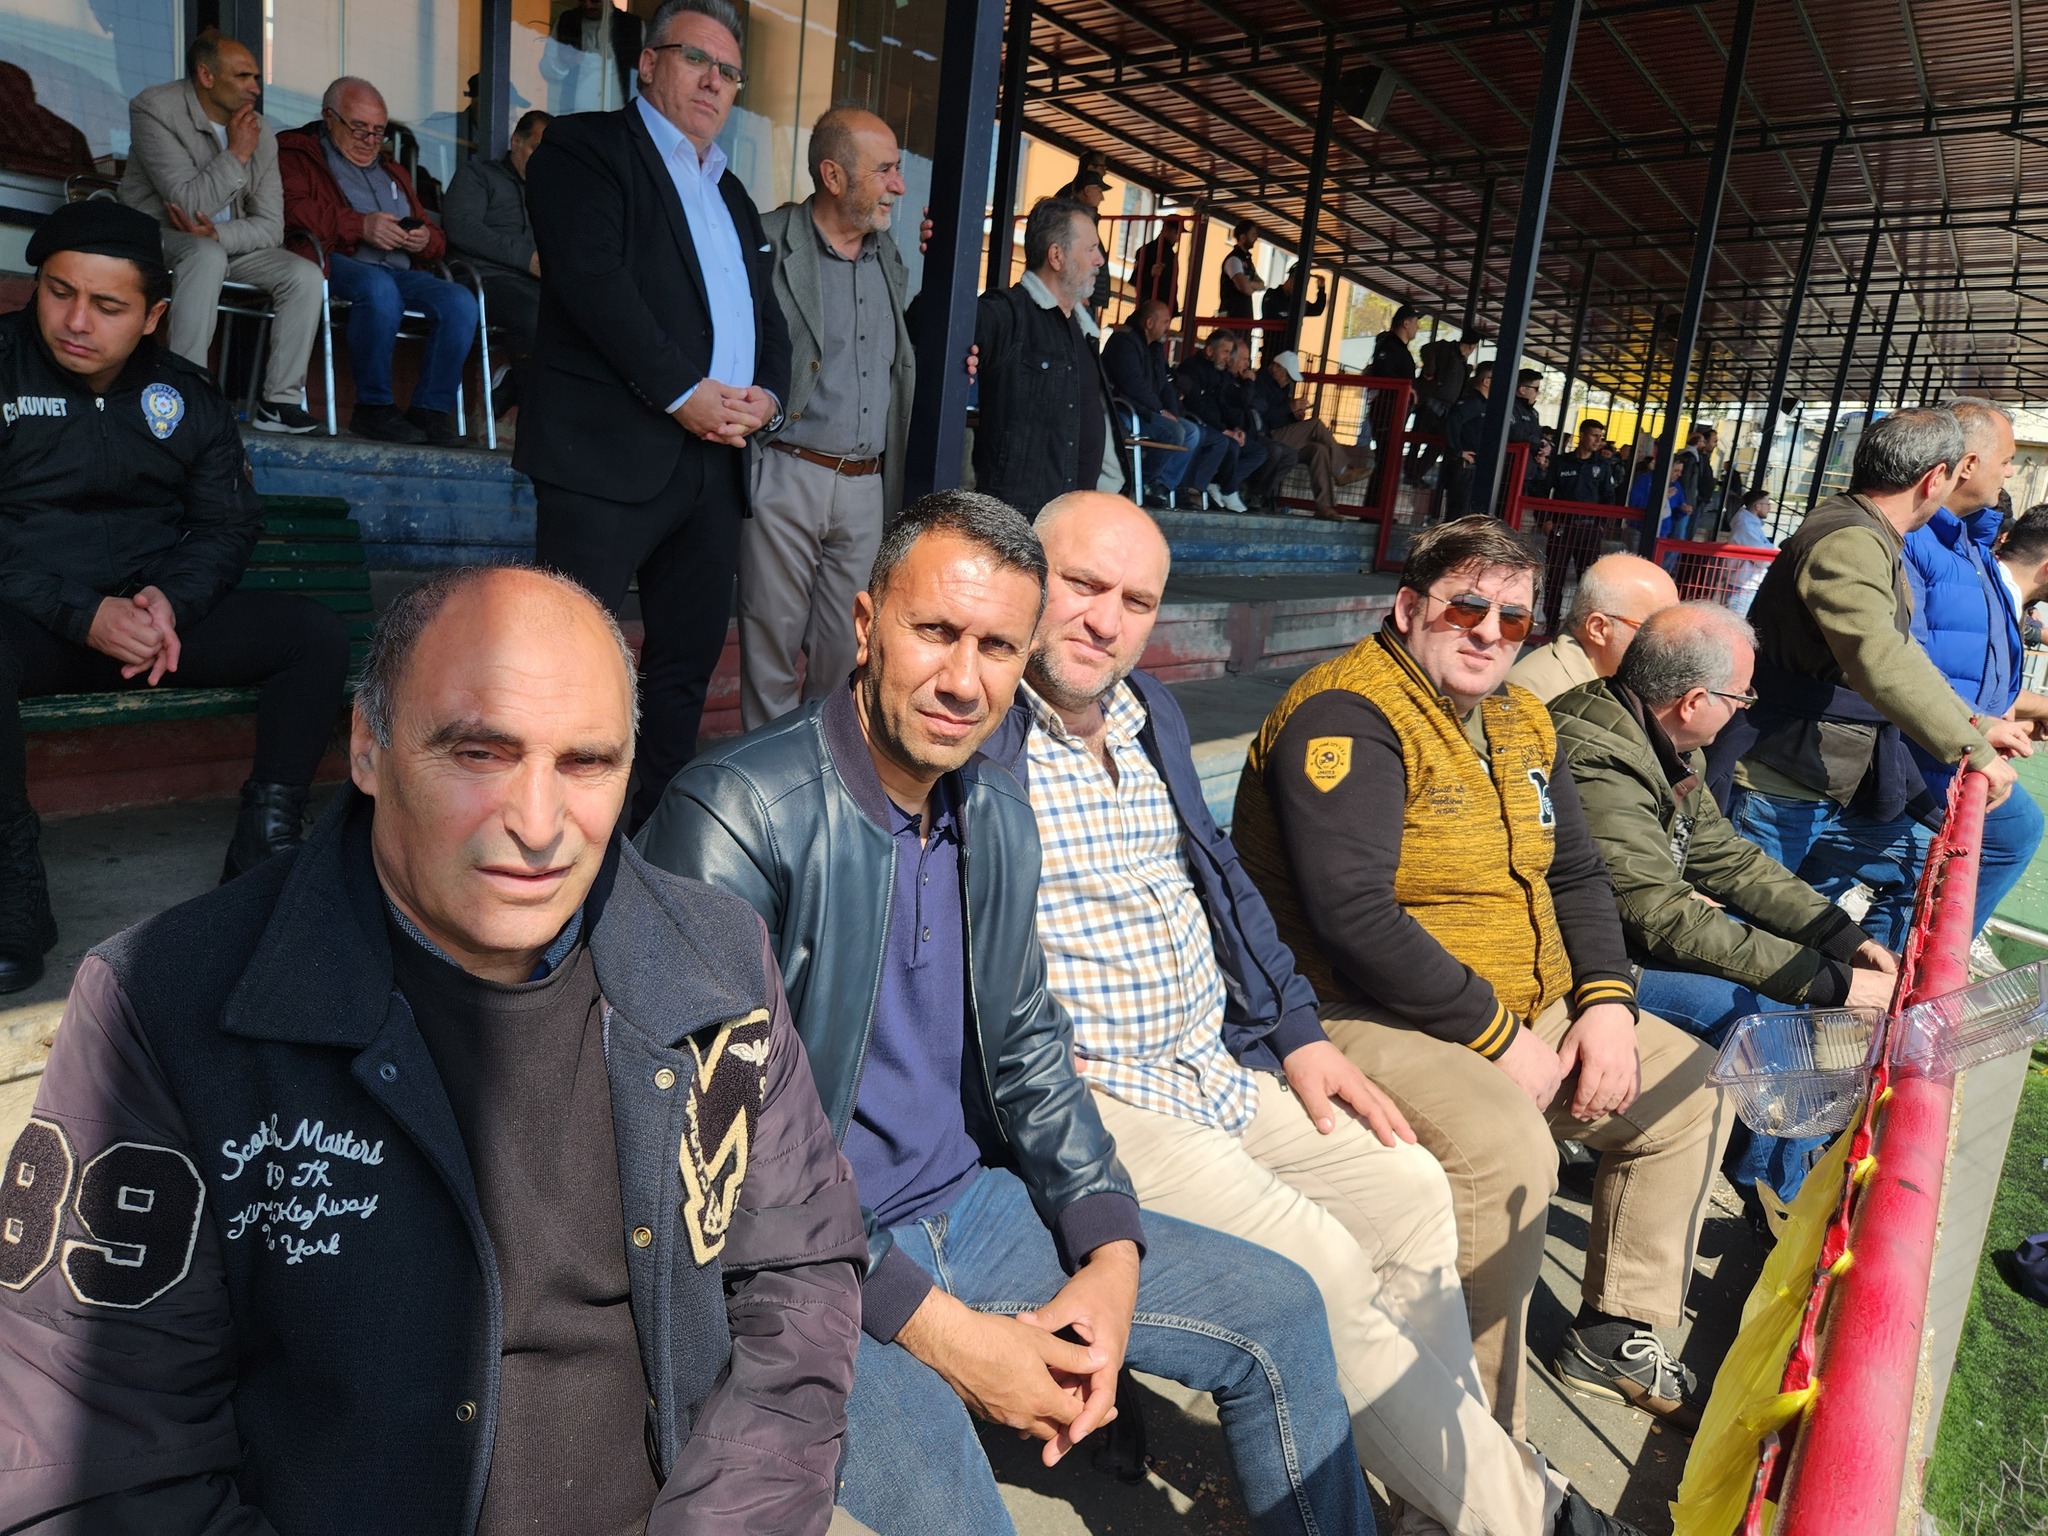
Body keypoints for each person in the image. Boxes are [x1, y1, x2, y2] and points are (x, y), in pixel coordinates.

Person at [0, 565, 867, 1533]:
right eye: (480, 753)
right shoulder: (167, 1008)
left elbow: (800, 1278)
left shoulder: (715, 964)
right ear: (367, 749)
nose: (537, 825)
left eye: (586, 763)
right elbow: (96, 1455)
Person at [637, 492, 1373, 1536]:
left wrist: (1108, 1243)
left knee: (1285, 1309)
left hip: (971, 1207)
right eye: (934, 631)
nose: (961, 679)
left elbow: (1029, 1047)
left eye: (995, 647)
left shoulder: (993, 806)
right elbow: (711, 1152)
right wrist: (943, 1333)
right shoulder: (737, 814)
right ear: (864, 623)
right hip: (805, 1262)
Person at [983, 491, 1650, 1536]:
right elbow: (1348, 914)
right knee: (1330, 1256)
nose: (1105, 621)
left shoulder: (1146, 711)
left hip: (1218, 1057)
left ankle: (1443, 1493)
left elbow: (1219, 886)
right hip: (1099, 1092)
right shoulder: (982, 730)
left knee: (1408, 1188)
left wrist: (1292, 1038)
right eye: (1082, 586)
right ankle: (1527, 1515)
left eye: (1136, 601)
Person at [1233, 515, 1729, 1436]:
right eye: (1465, 607)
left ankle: (1612, 1331)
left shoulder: (1520, 715)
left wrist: (1607, 1003)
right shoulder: (1346, 712)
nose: (1488, 633)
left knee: (1695, 1088)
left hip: (1516, 1000)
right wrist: (1500, 1038)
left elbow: (1576, 873)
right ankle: (1474, 1451)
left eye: (1512, 618)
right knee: (1508, 1152)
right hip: (1353, 1007)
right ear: (1407, 608)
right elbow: (1353, 919)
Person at [0, 201, 351, 992]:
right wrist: (82, 614)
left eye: (107, 305)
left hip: (152, 632)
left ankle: (265, 848)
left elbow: (228, 523)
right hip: (32, 629)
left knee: (312, 634)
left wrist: (169, 602)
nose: (76, 321)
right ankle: (11, 882)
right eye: (59, 292)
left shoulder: (184, 394)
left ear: (154, 316)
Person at [518, 0, 791, 828]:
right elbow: (593, 284)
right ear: (647, 62)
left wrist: (768, 397)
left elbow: (766, 317)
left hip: (717, 462)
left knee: (683, 671)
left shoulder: (732, 192)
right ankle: (553, 831)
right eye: (695, 58)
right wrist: (684, 392)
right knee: (568, 661)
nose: (714, 81)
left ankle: (653, 840)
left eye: (729, 71)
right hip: (607, 456)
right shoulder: (584, 149)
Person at [1550, 604, 1900, 1207]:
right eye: (1742, 695)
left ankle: (1777, 1177)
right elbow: (1658, 916)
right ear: (1692, 701)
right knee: (1763, 1023)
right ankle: (1775, 1198)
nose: (1746, 708)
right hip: (1580, 959)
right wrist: (1832, 981)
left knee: (1777, 1000)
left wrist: (1842, 938)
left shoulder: (1660, 741)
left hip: (1613, 942)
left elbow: (1727, 858)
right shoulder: (1602, 759)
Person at [1712, 408, 2026, 951]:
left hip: (1824, 773)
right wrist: (1974, 748)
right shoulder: (1851, 539)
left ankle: (1872, 988)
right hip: (1783, 780)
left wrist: (1974, 725)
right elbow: (1878, 656)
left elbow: (1898, 653)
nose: (2009, 472)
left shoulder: (1870, 533)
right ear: (1936, 478)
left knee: (1922, 869)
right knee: (1753, 941)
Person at [742, 107, 917, 733]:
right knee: (770, 642)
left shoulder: (888, 254)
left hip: (866, 483)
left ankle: (822, 763)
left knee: (849, 649)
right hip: (788, 470)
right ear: (833, 176)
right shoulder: (767, 240)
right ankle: (766, 775)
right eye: (884, 170)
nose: (899, 185)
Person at [118, 30, 324, 434]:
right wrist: (237, 152)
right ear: (206, 76)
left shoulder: (260, 130)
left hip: (224, 242)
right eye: (243, 76)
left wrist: (220, 237)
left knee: (304, 274)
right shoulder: (155, 108)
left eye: (257, 78)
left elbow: (271, 226)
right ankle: (186, 390)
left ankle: (279, 403)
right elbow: (189, 204)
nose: (255, 88)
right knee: (204, 255)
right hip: (154, 234)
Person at [1901, 399, 2045, 930]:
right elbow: (1904, 663)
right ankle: (1930, 951)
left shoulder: (1967, 544)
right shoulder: (1917, 540)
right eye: (2006, 460)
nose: (2010, 473)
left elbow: (1968, 664)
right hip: (1918, 756)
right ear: (1967, 464)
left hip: (1943, 749)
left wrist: (1998, 718)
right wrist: (1981, 731)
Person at [277, 76, 480, 445]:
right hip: (334, 260)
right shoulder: (299, 153)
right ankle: (373, 408)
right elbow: (292, 210)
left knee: (461, 301)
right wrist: (360, 226)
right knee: (379, 288)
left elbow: (436, 240)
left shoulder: (393, 170)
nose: (370, 141)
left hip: (399, 269)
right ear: (329, 117)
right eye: (359, 129)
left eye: (378, 131)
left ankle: (429, 411)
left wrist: (424, 239)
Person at [972, 197, 1127, 521]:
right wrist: (941, 255)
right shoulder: (1010, 313)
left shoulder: (1083, 327)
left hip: (1075, 521)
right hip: (1025, 524)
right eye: (1091, 249)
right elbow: (929, 321)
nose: (1100, 260)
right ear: (1056, 256)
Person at [441, 107, 550, 418]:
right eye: (536, 149)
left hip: (532, 287)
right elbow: (461, 227)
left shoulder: (551, 194)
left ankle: (514, 384)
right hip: (481, 280)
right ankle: (538, 422)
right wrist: (525, 258)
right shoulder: (478, 175)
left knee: (591, 317)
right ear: (516, 141)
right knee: (537, 314)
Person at [1508, 552, 1679, 703]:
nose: (1675, 640)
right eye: (1655, 628)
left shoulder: (1614, 683)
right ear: (1598, 629)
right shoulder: (1531, 699)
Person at [1101, 298, 1216, 507]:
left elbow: (1164, 385)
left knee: (1192, 432)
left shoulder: (1153, 347)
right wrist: (1160, 410)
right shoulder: (1123, 341)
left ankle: (1161, 485)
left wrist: (1174, 413)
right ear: (1149, 323)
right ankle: (1141, 483)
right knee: (1175, 432)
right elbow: (1132, 385)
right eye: (1165, 322)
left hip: (1148, 411)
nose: (1168, 328)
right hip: (1127, 409)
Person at [1248, 349, 1371, 520]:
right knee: (1316, 425)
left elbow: (1279, 414)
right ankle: (1342, 471)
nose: (1287, 381)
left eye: (1290, 379)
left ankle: (1325, 507)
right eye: (1287, 376)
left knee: (1319, 450)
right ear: (1275, 367)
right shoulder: (1259, 382)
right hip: (1266, 436)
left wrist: (1294, 415)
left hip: (1280, 436)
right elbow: (1263, 414)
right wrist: (1290, 407)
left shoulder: (1281, 386)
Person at [1174, 330, 1269, 513]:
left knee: (1257, 450)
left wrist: (1234, 429)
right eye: (1225, 352)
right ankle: (1210, 489)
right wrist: (1224, 430)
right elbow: (1196, 406)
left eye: (1230, 353)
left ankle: (1219, 485)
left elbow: (1227, 404)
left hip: (1219, 426)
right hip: (1197, 423)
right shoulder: (1192, 368)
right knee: (1226, 444)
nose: (1228, 358)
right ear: (1210, 350)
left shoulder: (1221, 373)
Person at [542, 0, 644, 114]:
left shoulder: (633, 26)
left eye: (594, 0)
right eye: (583, 0)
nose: (588, 5)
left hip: (619, 116)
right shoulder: (566, 22)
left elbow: (648, 74)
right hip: (574, 115)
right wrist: (563, 63)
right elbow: (547, 71)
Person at [1410, 327, 1480, 485]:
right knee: (1417, 439)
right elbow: (1426, 349)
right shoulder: (1446, 348)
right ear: (1472, 346)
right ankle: (1411, 474)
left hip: (1446, 410)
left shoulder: (1463, 364)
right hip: (1431, 404)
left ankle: (1416, 475)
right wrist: (1429, 370)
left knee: (1437, 444)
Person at [1052, 166, 1112, 321]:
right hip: (1079, 297)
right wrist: (1076, 292)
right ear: (1088, 190)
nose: (1102, 198)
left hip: (1084, 295)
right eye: (1099, 191)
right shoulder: (1073, 218)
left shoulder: (1080, 216)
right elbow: (1068, 254)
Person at [1724, 487, 1778, 616]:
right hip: (1743, 584)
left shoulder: (1749, 524)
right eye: (1767, 504)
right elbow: (1762, 559)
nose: (1769, 508)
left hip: (1744, 582)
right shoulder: (1745, 526)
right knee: (1736, 622)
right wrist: (1770, 550)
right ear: (1758, 506)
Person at [1548, 420, 1619, 505]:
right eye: (1594, 436)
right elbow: (1544, 488)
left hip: (1589, 513)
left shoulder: (1603, 465)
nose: (1598, 441)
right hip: (1561, 512)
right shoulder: (1561, 461)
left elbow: (1608, 495)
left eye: (1600, 437)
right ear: (1582, 436)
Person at [1669, 425, 1717, 540]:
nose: (1704, 444)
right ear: (1697, 443)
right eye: (1703, 442)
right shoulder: (1691, 458)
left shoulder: (1695, 458)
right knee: (1680, 534)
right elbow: (1686, 481)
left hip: (1691, 500)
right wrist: (1687, 501)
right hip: (1689, 502)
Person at [1128, 215, 1180, 316]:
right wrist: (1150, 274)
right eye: (1176, 233)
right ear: (1166, 229)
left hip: (1157, 307)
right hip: (1153, 307)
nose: (1177, 238)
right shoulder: (1149, 251)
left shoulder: (1168, 254)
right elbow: (1136, 279)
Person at [1260, 262, 1326, 340]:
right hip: (1272, 344)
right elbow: (1277, 312)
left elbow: (1317, 310)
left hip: (1288, 345)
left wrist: (1321, 289)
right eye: (1300, 286)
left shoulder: (1296, 301)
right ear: (1291, 281)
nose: (1300, 290)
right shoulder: (1272, 294)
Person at [1218, 218, 1264, 322]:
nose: (1256, 238)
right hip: (1232, 317)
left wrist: (1248, 283)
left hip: (1243, 317)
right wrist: (1250, 286)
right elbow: (1246, 289)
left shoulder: (1247, 260)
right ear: (1242, 237)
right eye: (1253, 235)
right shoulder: (1233, 260)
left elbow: (1262, 284)